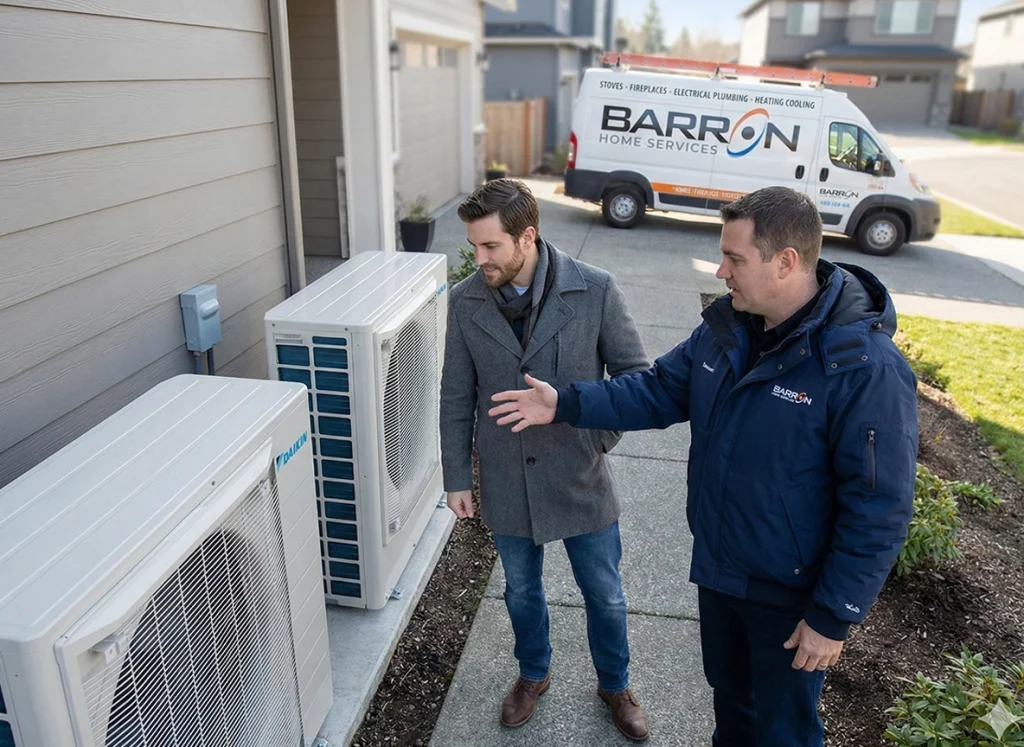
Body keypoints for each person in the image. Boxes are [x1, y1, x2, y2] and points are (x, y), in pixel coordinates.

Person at [486, 186, 919, 747]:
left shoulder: (865, 368)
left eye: (735, 258)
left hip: (789, 596)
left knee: (784, 731)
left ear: (786, 262)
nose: (721, 272)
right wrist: (565, 403)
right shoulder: (728, 332)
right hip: (721, 572)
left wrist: (833, 615)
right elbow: (656, 390)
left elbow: (879, 506)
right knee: (732, 709)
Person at [439, 178, 652, 741]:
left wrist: (594, 440)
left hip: (581, 476)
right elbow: (456, 396)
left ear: (527, 237)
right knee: (520, 591)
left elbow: (636, 381)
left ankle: (615, 684)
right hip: (507, 480)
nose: (479, 258)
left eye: (491, 246)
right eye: (474, 245)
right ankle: (533, 674)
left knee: (604, 593)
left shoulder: (596, 289)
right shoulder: (464, 301)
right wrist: (457, 477)